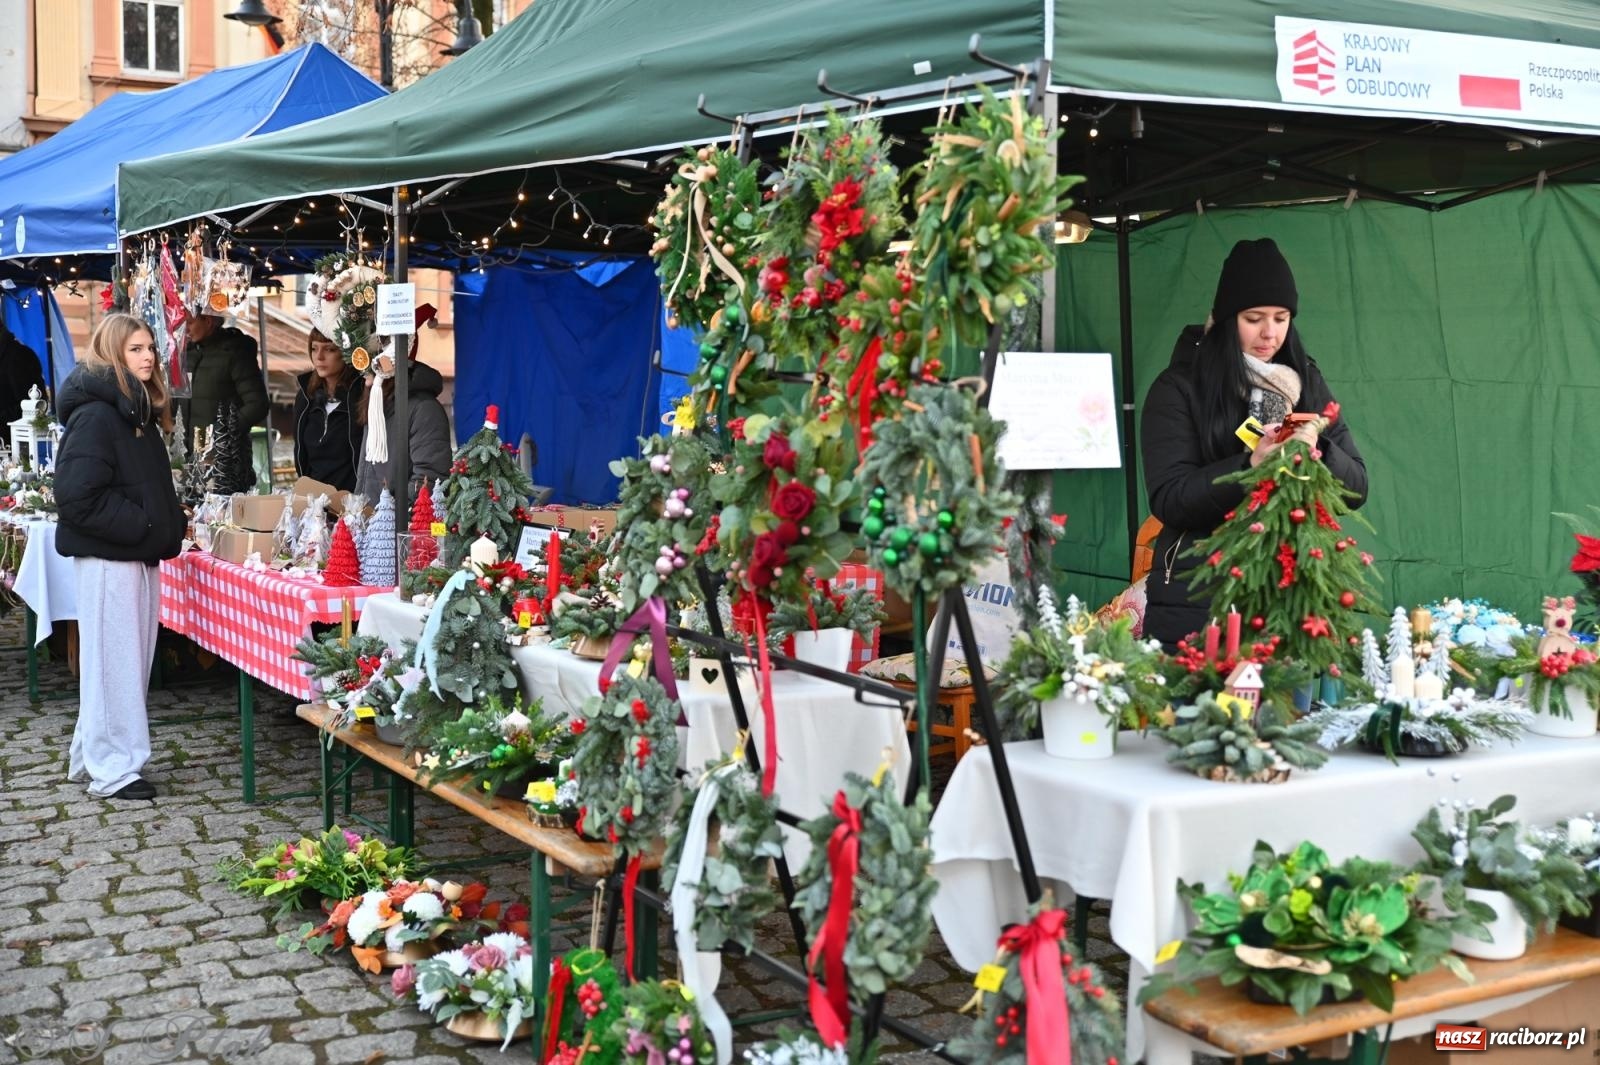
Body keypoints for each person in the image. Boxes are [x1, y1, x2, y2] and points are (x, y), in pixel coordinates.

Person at [1139, 238, 1368, 649]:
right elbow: (1170, 498)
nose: (1270, 333)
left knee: (1291, 713)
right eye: (1254, 318)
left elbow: (1357, 488)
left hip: (1289, 599)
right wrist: (1249, 467)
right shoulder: (1178, 387)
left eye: (1281, 318)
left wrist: (1320, 449)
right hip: (1197, 600)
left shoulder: (1305, 382)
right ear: (1228, 319)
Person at [53, 313, 185, 801]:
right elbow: (75, 495)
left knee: (126, 665)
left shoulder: (135, 411)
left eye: (150, 347)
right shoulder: (97, 415)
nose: (148, 356)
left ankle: (98, 753)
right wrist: (144, 526)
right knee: (114, 666)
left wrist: (164, 523)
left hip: (137, 556)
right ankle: (113, 770)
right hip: (112, 559)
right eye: (135, 349)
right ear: (112, 354)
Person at [354, 304, 451, 502]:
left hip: (397, 528)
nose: (362, 369)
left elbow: (429, 480)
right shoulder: (378, 402)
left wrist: (387, 516)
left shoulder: (424, 409)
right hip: (372, 525)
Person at [185, 311, 268, 490]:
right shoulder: (187, 353)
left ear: (208, 321)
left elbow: (257, 404)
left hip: (225, 457)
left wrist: (221, 435)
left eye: (189, 322)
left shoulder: (235, 352)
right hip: (190, 452)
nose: (185, 329)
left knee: (224, 513)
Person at [292, 329, 366, 491]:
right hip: (313, 503)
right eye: (314, 348)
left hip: (354, 503)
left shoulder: (362, 396)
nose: (319, 357)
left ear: (346, 353)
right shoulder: (305, 397)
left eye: (329, 349)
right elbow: (300, 454)